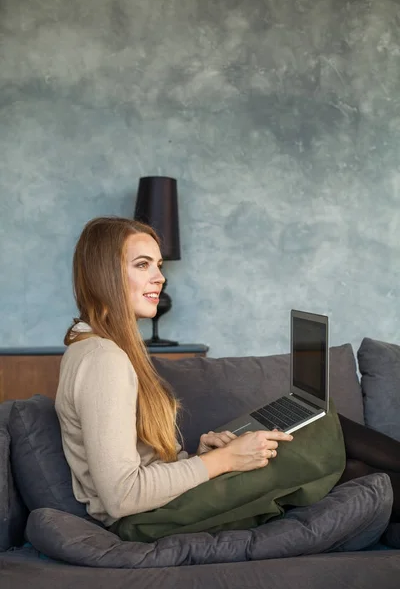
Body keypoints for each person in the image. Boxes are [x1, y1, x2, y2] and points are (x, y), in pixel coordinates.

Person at [55, 216, 400, 542]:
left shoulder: (100, 348)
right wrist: (224, 460)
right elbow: (122, 495)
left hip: (161, 506)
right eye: (142, 265)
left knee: (349, 465)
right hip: (147, 521)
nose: (159, 277)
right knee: (327, 430)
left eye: (158, 266)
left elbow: (141, 464)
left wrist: (196, 457)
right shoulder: (104, 360)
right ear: (105, 274)